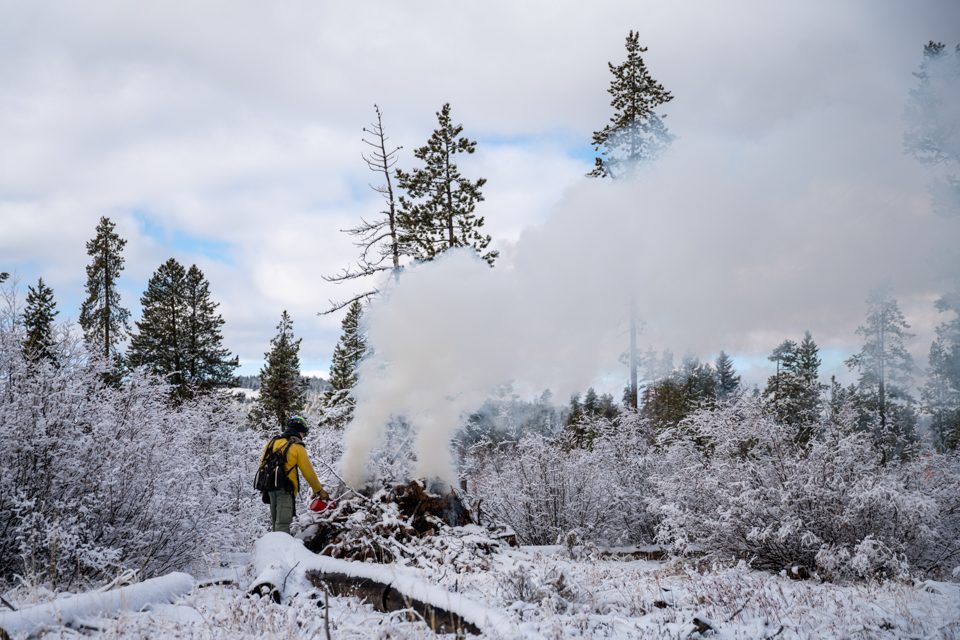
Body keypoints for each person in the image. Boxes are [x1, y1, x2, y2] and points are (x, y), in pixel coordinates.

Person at [260, 415, 328, 534]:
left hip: (270, 489)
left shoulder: (271, 443)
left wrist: (265, 489)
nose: (304, 436)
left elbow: (262, 467)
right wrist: (319, 490)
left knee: (276, 522)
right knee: (282, 524)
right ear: (300, 431)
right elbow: (308, 472)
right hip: (286, 490)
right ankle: (280, 551)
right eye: (304, 433)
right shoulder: (297, 447)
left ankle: (273, 549)